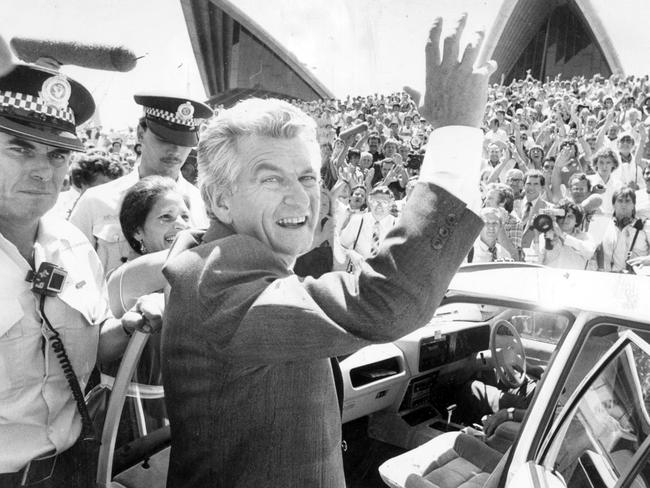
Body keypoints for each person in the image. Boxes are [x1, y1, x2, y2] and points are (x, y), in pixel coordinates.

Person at [161, 13, 494, 488]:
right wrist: (458, 132)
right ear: (217, 198)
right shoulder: (217, 277)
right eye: (270, 178)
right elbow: (386, 301)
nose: (299, 198)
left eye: (306, 177)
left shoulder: (226, 260)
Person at [0, 62, 161, 487]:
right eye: (20, 147)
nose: (43, 170)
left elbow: (84, 347)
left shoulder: (71, 246)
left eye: (56, 154)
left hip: (71, 469)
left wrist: (126, 327)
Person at [69, 94, 212, 275]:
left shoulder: (204, 204)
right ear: (140, 133)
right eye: (164, 139)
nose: (175, 150)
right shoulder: (95, 201)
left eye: (184, 142)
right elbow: (71, 270)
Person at [537, 200, 597, 269]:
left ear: (576, 221)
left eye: (570, 216)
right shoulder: (544, 236)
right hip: (550, 277)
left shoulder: (585, 236)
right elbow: (537, 261)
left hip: (573, 278)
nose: (565, 219)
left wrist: (562, 235)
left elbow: (589, 252)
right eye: (561, 216)